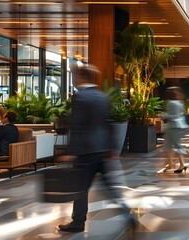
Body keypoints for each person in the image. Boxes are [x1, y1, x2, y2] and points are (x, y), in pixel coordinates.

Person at [56, 64, 136, 233]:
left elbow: (78, 126)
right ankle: (127, 214)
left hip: (86, 151)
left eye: (76, 76)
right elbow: (109, 124)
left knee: (80, 188)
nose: (75, 79)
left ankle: (77, 222)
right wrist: (113, 149)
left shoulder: (80, 98)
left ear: (81, 77)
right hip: (103, 149)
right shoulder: (102, 97)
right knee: (110, 187)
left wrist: (71, 152)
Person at [162, 87, 189, 173]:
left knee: (176, 145)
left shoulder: (171, 103)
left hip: (173, 127)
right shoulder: (180, 102)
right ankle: (171, 164)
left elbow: (172, 115)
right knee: (168, 145)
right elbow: (181, 114)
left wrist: (164, 116)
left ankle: (181, 164)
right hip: (177, 126)